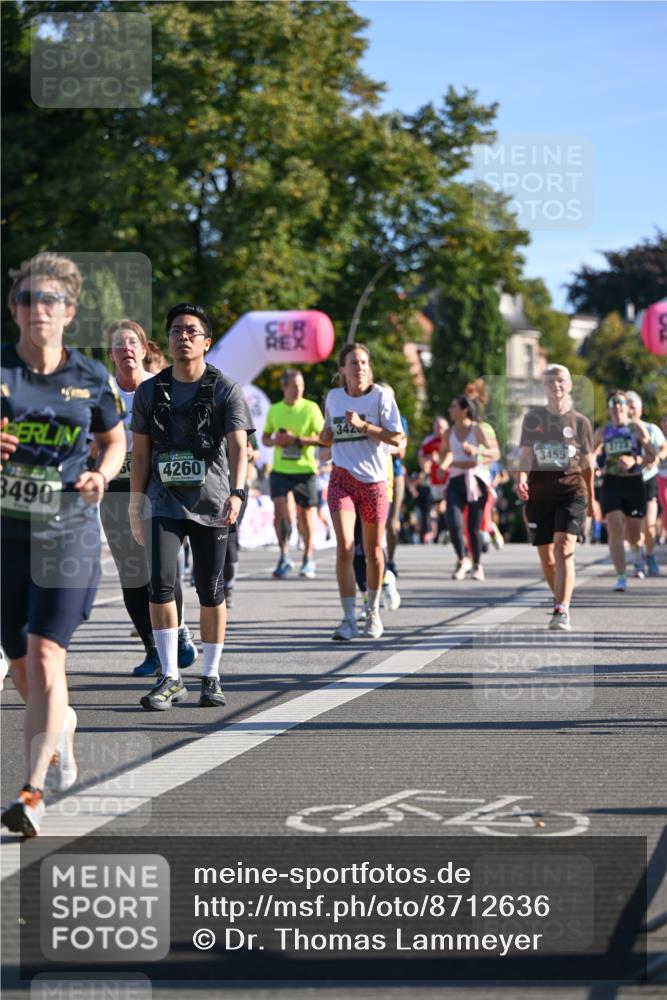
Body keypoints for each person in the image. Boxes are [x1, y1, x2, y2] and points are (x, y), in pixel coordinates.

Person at [1, 253, 126, 836]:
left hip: (69, 530)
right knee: (25, 672)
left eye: (48, 300)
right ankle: (64, 728)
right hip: (8, 534)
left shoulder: (89, 377)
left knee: (49, 655)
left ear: (68, 311)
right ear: (14, 310)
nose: (37, 310)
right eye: (26, 300)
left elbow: (114, 439)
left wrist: (103, 473)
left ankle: (30, 794)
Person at [129, 303, 253, 710]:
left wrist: (238, 493)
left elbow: (239, 447)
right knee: (161, 584)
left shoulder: (225, 389)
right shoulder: (149, 391)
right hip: (163, 501)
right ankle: (169, 676)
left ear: (207, 342)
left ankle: (211, 675)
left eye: (191, 331)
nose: (183, 336)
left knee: (210, 589)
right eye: (176, 330)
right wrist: (135, 502)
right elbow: (142, 456)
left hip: (213, 502)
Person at [102, 319, 196, 676]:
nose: (126, 349)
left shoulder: (162, 389)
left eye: (132, 343)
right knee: (131, 574)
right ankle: (152, 649)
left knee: (162, 569)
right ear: (111, 354)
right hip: (116, 489)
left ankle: (180, 632)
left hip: (157, 489)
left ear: (144, 349)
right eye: (119, 344)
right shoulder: (102, 394)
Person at [321, 343, 403, 640]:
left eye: (365, 362)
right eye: (354, 363)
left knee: (374, 552)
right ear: (342, 369)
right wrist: (324, 436)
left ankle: (372, 613)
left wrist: (364, 426)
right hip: (341, 477)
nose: (360, 368)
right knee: (344, 546)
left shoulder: (382, 397)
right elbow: (328, 435)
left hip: (374, 482)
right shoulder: (334, 397)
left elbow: (397, 438)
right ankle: (347, 619)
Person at [516, 365, 595, 631]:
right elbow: (526, 455)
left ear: (570, 385)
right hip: (540, 494)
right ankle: (560, 595)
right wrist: (522, 478)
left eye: (560, 381)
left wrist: (593, 498)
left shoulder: (581, 422)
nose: (556, 386)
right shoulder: (532, 419)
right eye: (550, 382)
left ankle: (561, 609)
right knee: (547, 558)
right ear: (544, 387)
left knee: (563, 548)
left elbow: (587, 465)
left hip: (572, 491)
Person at [262, 369, 324, 579]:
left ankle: (308, 557)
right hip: (280, 470)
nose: (299, 390)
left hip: (305, 470)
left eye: (301, 386)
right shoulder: (275, 409)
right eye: (294, 386)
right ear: (284, 387)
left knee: (305, 517)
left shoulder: (311, 408)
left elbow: (323, 439)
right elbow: (265, 439)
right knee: (280, 511)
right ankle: (284, 555)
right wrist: (275, 441)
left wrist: (295, 440)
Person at [593, 390, 655, 592]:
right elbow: (591, 454)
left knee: (634, 534)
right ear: (609, 408)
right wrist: (593, 466)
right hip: (611, 483)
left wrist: (634, 460)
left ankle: (637, 553)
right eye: (613, 403)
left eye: (620, 403)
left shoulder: (635, 427)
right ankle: (621, 576)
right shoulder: (603, 431)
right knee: (614, 527)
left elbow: (651, 455)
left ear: (628, 408)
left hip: (633, 482)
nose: (617, 407)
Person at [438, 396, 498, 581]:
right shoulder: (449, 432)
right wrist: (442, 466)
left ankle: (477, 565)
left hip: (475, 481)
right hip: (456, 480)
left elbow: (495, 453)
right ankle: (462, 559)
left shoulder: (477, 429)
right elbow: (445, 453)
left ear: (464, 410)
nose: (450, 410)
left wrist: (476, 451)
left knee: (473, 527)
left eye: (453, 406)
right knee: (453, 523)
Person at [625, 391, 667, 577]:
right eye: (627, 406)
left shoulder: (651, 429)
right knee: (632, 526)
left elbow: (663, 447)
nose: (630, 410)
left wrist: (653, 458)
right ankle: (638, 558)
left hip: (648, 479)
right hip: (626, 482)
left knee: (649, 523)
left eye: (633, 406)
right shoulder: (617, 430)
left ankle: (649, 555)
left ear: (640, 409)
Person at [222, 432, 259, 608]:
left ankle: (228, 587)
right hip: (208, 484)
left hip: (236, 486)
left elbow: (254, 452)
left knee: (229, 534)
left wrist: (247, 452)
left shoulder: (236, 415)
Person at [418, 416, 449, 543]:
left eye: (441, 427)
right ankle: (441, 532)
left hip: (450, 478)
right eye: (436, 427)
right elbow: (421, 457)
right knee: (437, 507)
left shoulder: (451, 439)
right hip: (434, 480)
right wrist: (425, 464)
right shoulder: (428, 441)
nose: (439, 430)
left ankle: (447, 531)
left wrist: (441, 460)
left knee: (446, 504)